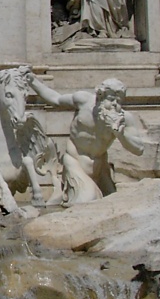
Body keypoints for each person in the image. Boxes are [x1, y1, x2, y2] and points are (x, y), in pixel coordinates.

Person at [29, 75, 145, 204]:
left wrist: (119, 133)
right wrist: (33, 82)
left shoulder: (124, 118)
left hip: (100, 168)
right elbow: (55, 99)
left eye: (118, 101)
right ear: (100, 97)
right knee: (88, 200)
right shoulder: (83, 101)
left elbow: (139, 149)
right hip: (75, 162)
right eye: (111, 99)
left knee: (112, 202)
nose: (114, 105)